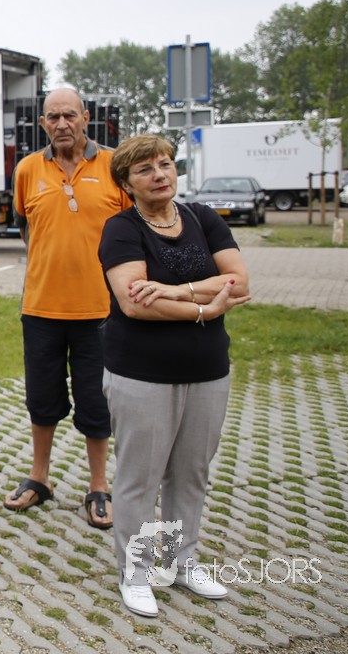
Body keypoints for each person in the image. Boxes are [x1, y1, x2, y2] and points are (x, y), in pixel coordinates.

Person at [99, 133, 250, 617]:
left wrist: (172, 291)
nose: (160, 174)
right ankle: (136, 572)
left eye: (165, 164)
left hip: (208, 371)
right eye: (145, 169)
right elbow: (133, 304)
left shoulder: (203, 218)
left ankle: (181, 562)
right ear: (127, 183)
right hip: (141, 373)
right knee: (140, 478)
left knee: (191, 475)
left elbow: (238, 282)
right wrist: (206, 308)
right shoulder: (121, 229)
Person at [4, 87, 130, 529]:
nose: (61, 124)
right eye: (53, 117)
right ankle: (40, 478)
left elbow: (131, 230)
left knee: (96, 403)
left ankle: (99, 486)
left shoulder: (114, 166)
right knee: (42, 399)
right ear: (42, 123)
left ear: (85, 118)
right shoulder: (27, 169)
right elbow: (26, 226)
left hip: (101, 311)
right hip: (41, 309)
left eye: (69, 116)